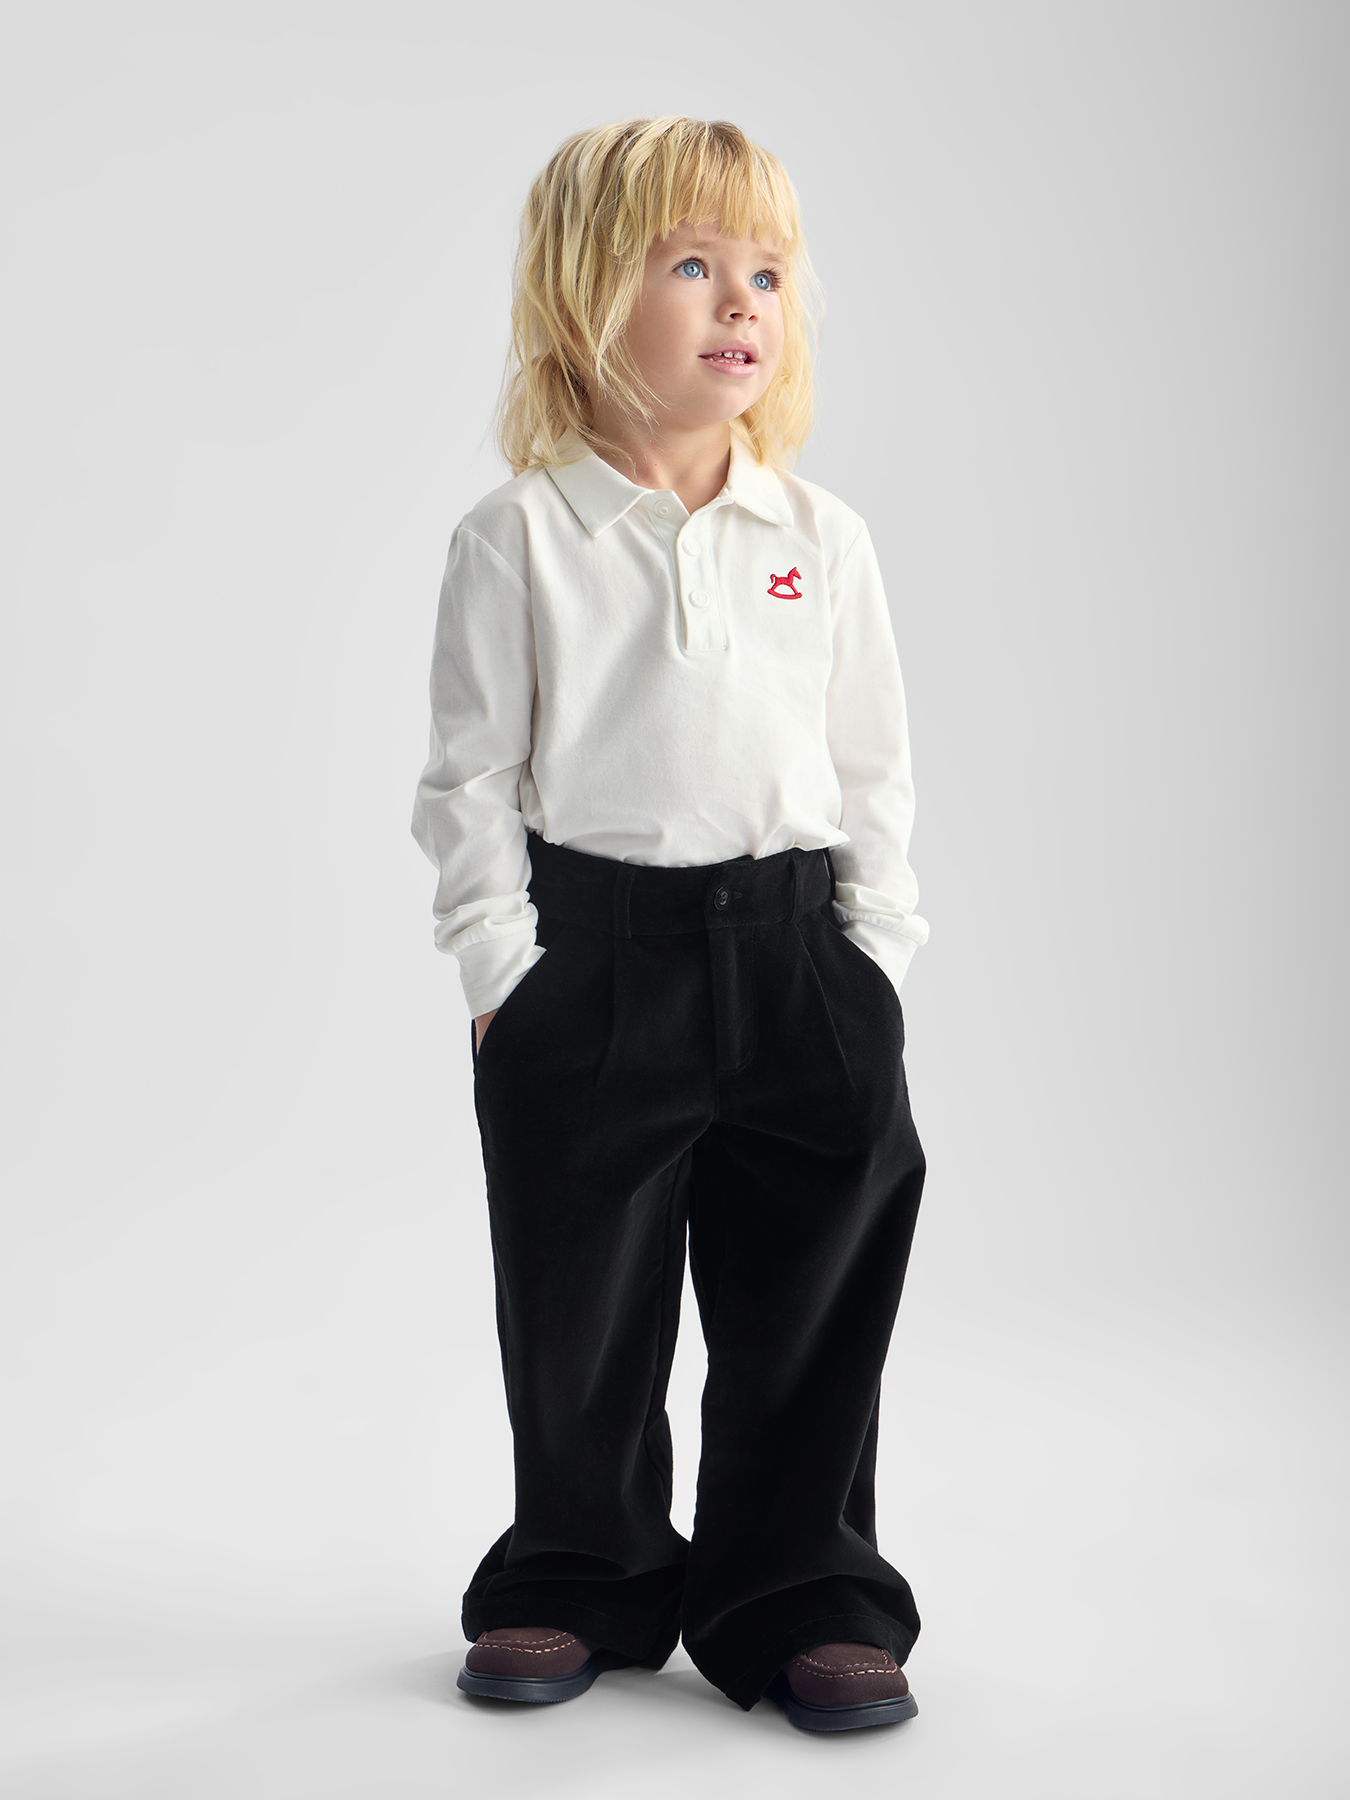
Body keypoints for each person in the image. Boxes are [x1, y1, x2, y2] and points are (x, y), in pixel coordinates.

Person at [410, 115, 930, 1733]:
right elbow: (469, 776)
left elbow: (871, 765)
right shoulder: (518, 538)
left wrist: (871, 959)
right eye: (691, 264)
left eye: (764, 270)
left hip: (796, 955)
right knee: (578, 1299)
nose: (740, 301)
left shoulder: (818, 540)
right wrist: (502, 970)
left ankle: (802, 1593)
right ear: (585, 298)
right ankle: (580, 1574)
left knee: (811, 1292)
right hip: (594, 961)